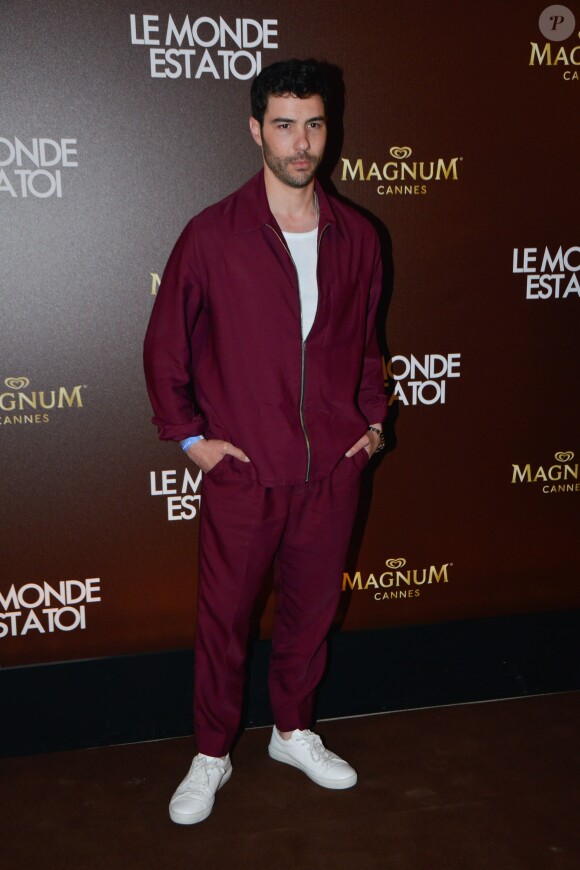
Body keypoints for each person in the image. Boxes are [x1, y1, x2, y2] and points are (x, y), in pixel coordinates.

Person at [144, 58, 387, 825]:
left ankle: (292, 731)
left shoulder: (360, 235)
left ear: (328, 129)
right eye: (284, 124)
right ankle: (211, 753)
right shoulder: (213, 235)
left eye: (314, 123)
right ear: (256, 130)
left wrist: (371, 424)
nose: (301, 141)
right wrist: (190, 440)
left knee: (312, 615)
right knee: (224, 623)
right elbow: (164, 348)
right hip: (245, 473)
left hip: (332, 473)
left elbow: (370, 344)